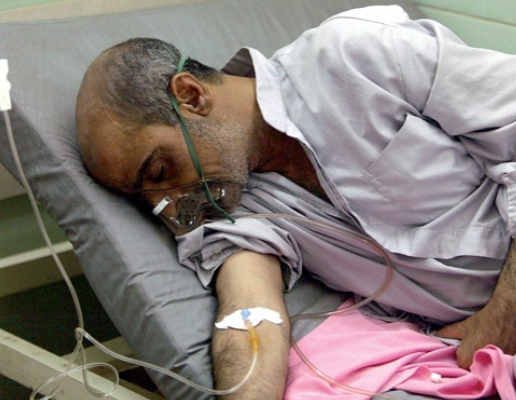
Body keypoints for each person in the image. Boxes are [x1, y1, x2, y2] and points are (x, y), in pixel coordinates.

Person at [76, 5, 516, 399]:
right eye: (149, 199)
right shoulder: (228, 210)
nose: (174, 207)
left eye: (159, 172)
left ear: (191, 96)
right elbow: (250, 315)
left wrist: (504, 312)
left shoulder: (356, 55)